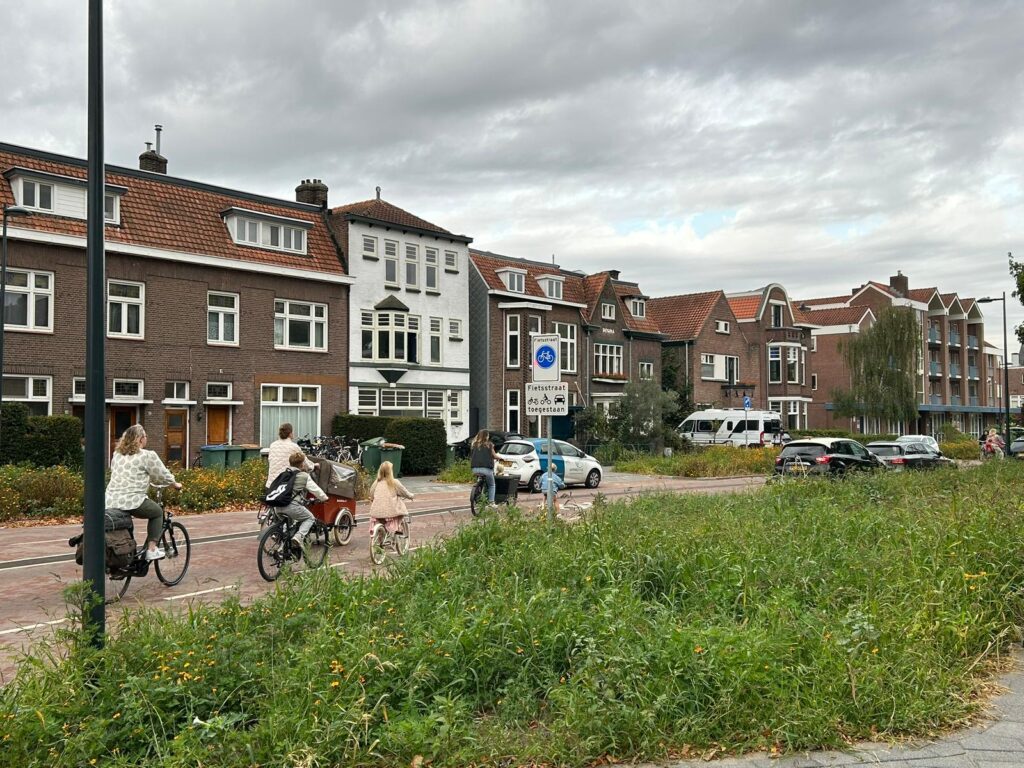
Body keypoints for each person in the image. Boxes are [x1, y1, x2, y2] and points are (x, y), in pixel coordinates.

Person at [104, 425, 182, 561]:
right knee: (157, 512)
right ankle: (152, 549)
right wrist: (175, 484)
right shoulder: (147, 456)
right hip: (132, 500)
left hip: (111, 500)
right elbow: (162, 475)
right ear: (140, 439)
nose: (146, 439)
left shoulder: (117, 455)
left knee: (126, 524)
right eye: (145, 436)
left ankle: (127, 555)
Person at [278, 450, 328, 547]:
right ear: (302, 465)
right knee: (310, 518)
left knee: (287, 525)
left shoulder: (284, 473)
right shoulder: (303, 476)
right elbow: (315, 490)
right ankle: (299, 537)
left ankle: (281, 548)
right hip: (291, 506)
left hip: (277, 506)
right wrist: (325, 498)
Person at [368, 461, 414, 537]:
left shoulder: (376, 483)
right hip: (391, 513)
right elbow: (404, 492)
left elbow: (371, 494)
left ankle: (381, 539)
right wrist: (411, 496)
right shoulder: (394, 482)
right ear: (390, 471)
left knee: (382, 522)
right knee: (399, 508)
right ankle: (396, 529)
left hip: (376, 512)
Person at [266, 422, 315, 489]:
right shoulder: (293, 446)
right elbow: (305, 463)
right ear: (290, 434)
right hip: (285, 486)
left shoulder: (272, 445)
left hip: (271, 484)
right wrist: (314, 466)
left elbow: (270, 460)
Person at [470, 430, 498, 504]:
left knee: (481, 480)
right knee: (492, 485)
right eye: (488, 435)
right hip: (486, 470)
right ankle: (491, 502)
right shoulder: (489, 444)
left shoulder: (474, 444)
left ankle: (478, 492)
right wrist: (500, 458)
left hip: (474, 469)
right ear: (486, 436)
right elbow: (494, 456)